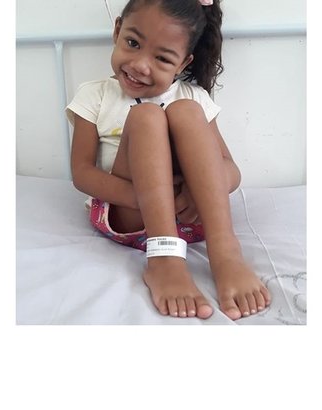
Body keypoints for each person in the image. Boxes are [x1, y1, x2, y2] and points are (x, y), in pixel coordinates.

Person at [65, 0, 270, 320]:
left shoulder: (193, 97)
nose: (140, 65)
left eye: (162, 58)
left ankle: (225, 251)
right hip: (130, 215)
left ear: (183, 62)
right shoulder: (95, 95)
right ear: (117, 30)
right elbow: (82, 173)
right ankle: (164, 258)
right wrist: (147, 198)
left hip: (190, 218)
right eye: (133, 43)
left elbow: (231, 170)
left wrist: (193, 194)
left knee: (187, 112)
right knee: (146, 116)